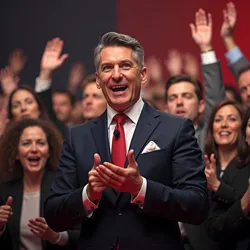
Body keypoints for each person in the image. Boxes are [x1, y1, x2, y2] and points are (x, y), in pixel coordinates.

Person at [44, 32, 209, 250]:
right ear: (97, 80)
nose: (116, 75)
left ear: (142, 75)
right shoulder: (78, 137)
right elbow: (54, 215)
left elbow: (197, 205)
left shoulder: (175, 129)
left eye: (125, 65)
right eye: (107, 68)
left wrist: (142, 188)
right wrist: (88, 194)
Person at [0, 119, 79, 250]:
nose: (34, 149)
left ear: (49, 152)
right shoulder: (5, 189)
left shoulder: (64, 188)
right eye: (26, 143)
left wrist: (56, 236)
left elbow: (82, 235)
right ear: (16, 154)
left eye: (40, 143)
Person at [207, 107, 250, 250]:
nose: (224, 124)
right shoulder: (205, 166)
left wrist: (219, 187)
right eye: (218, 119)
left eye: (232, 119)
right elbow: (214, 227)